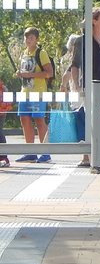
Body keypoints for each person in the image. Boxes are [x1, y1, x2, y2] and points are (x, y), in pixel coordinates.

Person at [66, 6, 100, 169]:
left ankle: (97, 155)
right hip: (88, 86)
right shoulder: (82, 41)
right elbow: (74, 66)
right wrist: (76, 86)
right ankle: (89, 157)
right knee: (89, 120)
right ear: (94, 21)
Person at [15, 26, 53, 163]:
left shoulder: (41, 53)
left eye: (31, 37)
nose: (28, 40)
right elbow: (25, 72)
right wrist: (20, 74)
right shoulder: (24, 53)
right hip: (24, 92)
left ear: (36, 39)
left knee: (39, 121)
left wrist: (29, 74)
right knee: (24, 120)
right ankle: (30, 152)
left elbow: (49, 73)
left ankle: (45, 152)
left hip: (38, 93)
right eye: (26, 37)